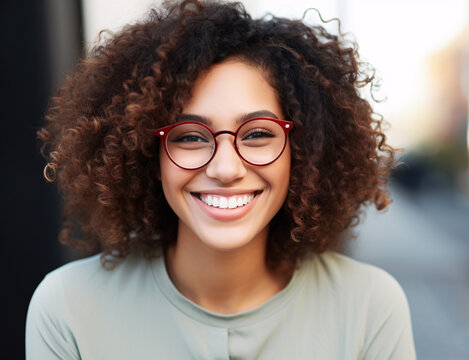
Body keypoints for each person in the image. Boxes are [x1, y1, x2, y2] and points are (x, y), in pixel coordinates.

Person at [26, 0, 415, 358]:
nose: (226, 169)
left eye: (258, 133)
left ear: (303, 151)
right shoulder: (68, 309)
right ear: (150, 154)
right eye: (191, 137)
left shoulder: (370, 308)